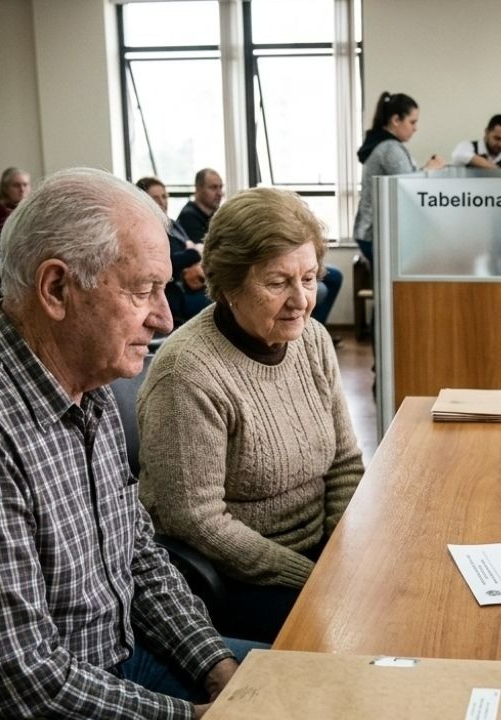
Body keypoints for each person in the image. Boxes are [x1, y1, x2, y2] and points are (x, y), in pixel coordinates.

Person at [0, 167, 257, 718]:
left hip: (104, 664)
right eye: (143, 290)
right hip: (2, 707)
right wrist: (203, 717)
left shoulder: (86, 382)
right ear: (57, 288)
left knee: (306, 689)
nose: (162, 318)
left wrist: (218, 670)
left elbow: (137, 556)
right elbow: (24, 685)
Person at [137, 187, 364, 642]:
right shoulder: (188, 372)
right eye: (278, 283)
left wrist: (345, 557)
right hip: (239, 580)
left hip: (319, 557)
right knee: (364, 636)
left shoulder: (313, 340)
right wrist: (313, 577)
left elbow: (344, 464)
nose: (301, 300)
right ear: (228, 283)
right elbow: (197, 521)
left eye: (308, 278)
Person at [353, 91, 444, 264]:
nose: (415, 128)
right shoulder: (390, 148)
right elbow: (408, 188)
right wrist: (430, 170)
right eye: (412, 122)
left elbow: (404, 178)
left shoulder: (382, 143)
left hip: (369, 232)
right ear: (396, 120)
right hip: (376, 234)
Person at [136, 175, 212, 326]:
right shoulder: (145, 229)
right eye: (155, 198)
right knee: (220, 302)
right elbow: (169, 262)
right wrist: (194, 252)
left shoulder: (172, 224)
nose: (162, 202)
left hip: (191, 285)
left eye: (164, 196)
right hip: (173, 293)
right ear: (143, 200)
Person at [177, 168, 224, 242]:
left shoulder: (216, 214)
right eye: (213, 188)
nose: (220, 193)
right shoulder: (188, 217)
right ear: (198, 189)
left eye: (220, 187)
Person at [0, 166, 31, 237]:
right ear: (5, 189)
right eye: (16, 185)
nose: (22, 189)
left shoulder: (32, 207)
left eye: (25, 185)